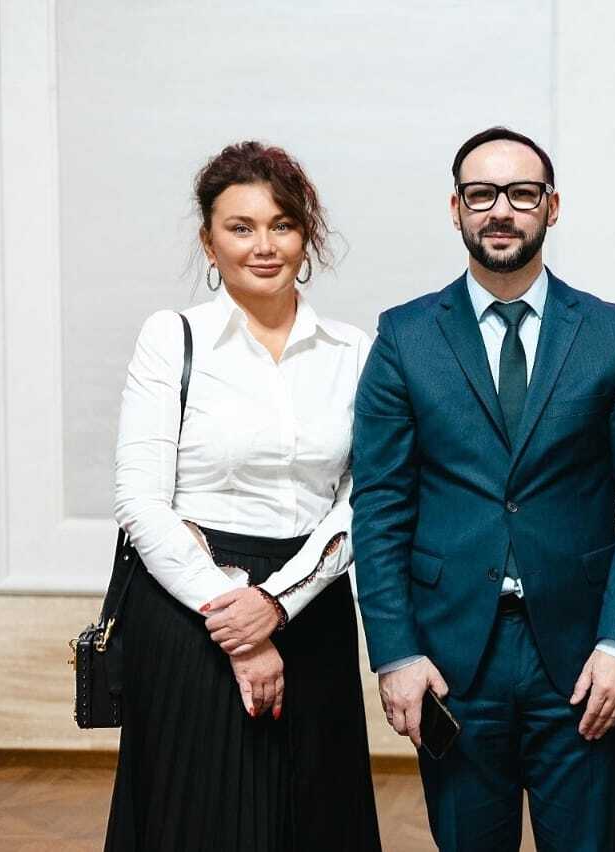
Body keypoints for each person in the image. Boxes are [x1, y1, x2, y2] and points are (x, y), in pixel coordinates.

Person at [351, 126, 615, 852]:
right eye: (482, 194)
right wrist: (395, 653)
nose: (501, 210)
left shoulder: (611, 334)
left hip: (583, 659)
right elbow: (378, 510)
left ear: (551, 207)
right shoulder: (404, 337)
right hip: (451, 660)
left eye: (522, 194)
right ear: (456, 209)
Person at [106, 141, 381, 851]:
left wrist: (278, 604)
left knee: (316, 819)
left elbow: (367, 496)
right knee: (202, 820)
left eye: (282, 225)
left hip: (311, 605)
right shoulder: (173, 338)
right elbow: (140, 503)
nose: (264, 245)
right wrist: (237, 621)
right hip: (190, 610)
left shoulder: (353, 351)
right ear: (209, 241)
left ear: (306, 237)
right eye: (241, 227)